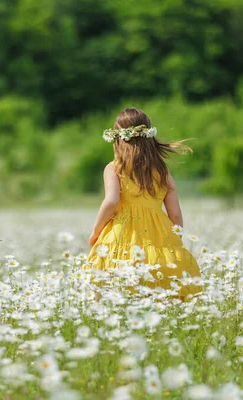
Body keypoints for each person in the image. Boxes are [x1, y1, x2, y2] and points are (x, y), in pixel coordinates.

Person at [83, 107, 202, 301]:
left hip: (123, 232)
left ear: (119, 138)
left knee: (115, 276)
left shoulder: (114, 168)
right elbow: (175, 214)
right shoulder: (162, 170)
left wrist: (96, 231)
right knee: (159, 277)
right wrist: (175, 239)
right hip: (158, 232)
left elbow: (111, 201)